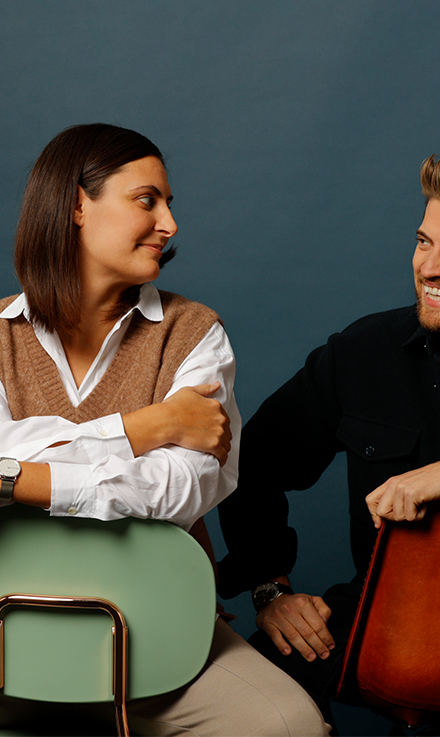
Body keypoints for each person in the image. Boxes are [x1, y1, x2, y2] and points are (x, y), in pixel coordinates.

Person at [0, 123, 329, 736]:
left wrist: (15, 480)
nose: (170, 224)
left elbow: (183, 488)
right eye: (146, 200)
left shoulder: (194, 333)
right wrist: (142, 428)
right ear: (75, 205)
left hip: (159, 622)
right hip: (5, 626)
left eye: (169, 204)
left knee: (289, 726)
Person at [217, 153, 440, 730]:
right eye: (424, 242)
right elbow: (252, 464)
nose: (430, 267)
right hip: (391, 618)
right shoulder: (362, 353)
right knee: (249, 695)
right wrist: (270, 590)